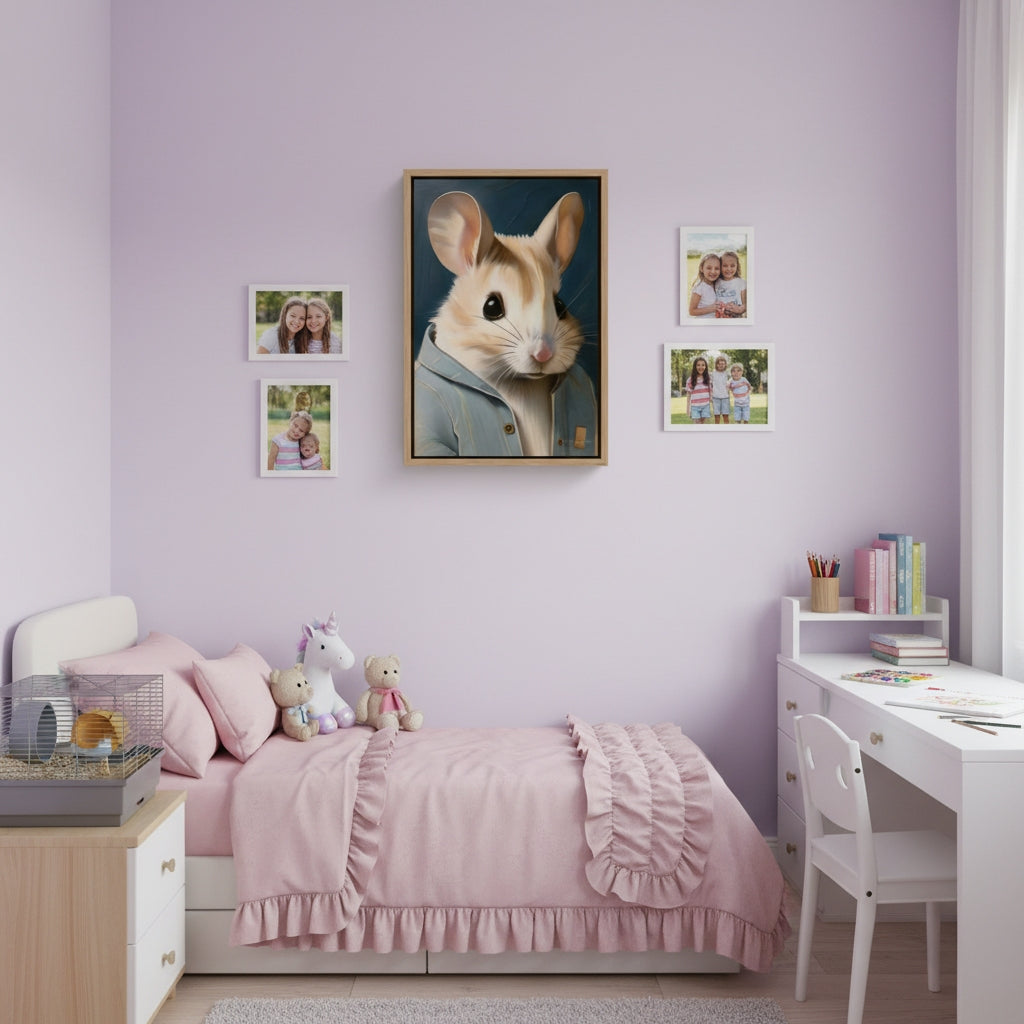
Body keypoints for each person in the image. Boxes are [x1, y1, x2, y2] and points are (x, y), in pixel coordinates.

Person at [688, 253, 721, 319]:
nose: (713, 271)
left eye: (717, 268)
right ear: (701, 268)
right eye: (709, 268)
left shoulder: (717, 284)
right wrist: (711, 308)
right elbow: (692, 311)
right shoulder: (699, 287)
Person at [715, 251, 747, 318]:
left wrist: (739, 310)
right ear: (720, 266)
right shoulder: (716, 282)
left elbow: (745, 305)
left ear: (737, 266)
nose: (729, 269)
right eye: (725, 266)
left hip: (736, 318)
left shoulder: (741, 283)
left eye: (732, 266)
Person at [685, 355, 712, 423]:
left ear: (705, 367)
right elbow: (688, 395)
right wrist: (688, 409)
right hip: (695, 407)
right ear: (695, 367)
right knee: (697, 425)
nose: (701, 367)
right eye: (698, 365)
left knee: (702, 424)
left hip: (705, 406)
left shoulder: (708, 379)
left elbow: (710, 393)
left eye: (703, 365)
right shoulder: (690, 380)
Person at [711, 354, 731, 424]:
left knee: (725, 416)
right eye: (719, 364)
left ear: (725, 365)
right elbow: (710, 385)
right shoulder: (713, 373)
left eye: (723, 364)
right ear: (716, 365)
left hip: (725, 397)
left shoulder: (727, 373)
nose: (721, 365)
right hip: (715, 398)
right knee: (717, 417)